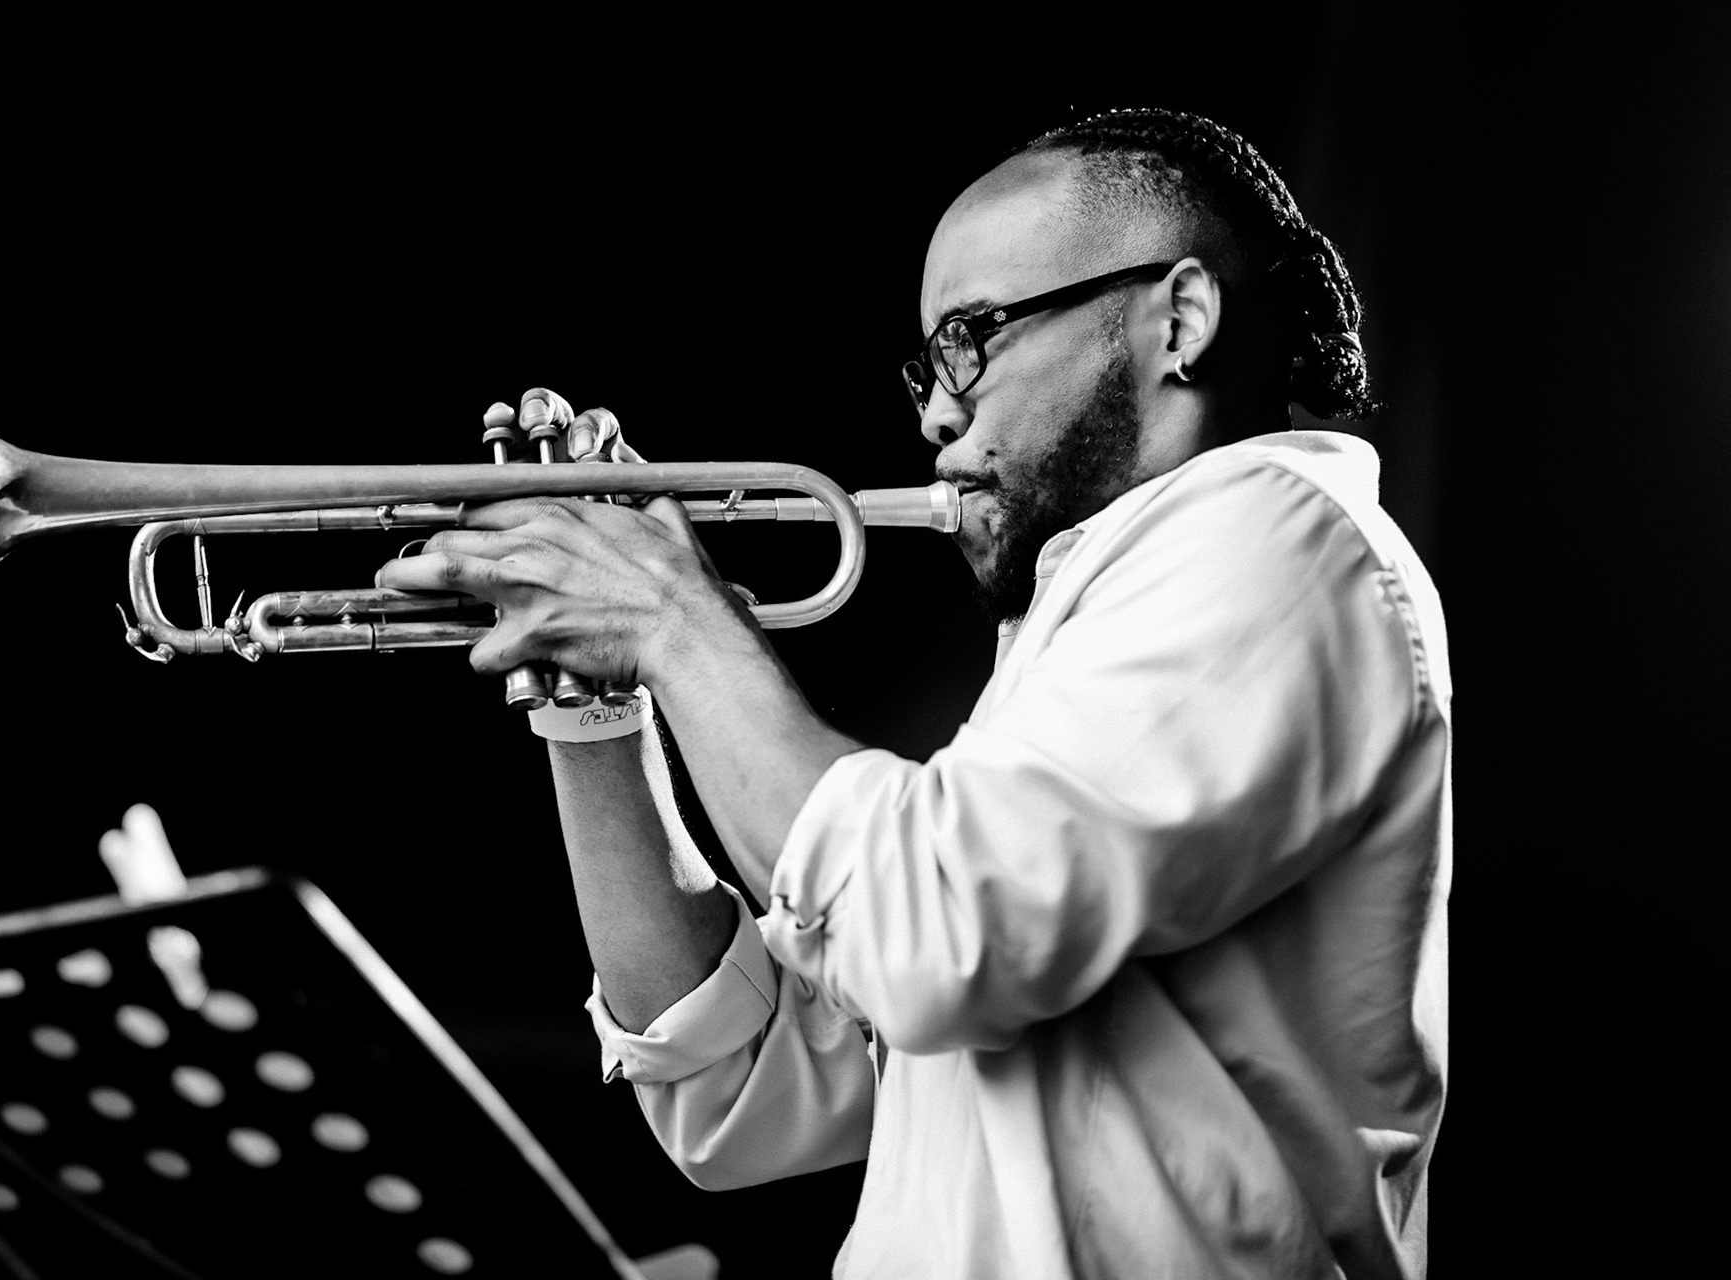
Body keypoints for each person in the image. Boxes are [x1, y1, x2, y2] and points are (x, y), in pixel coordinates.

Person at [379, 108, 1451, 1279]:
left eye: (972, 337)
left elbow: (928, 935)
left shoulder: (1280, 533)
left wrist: (673, 618)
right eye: (930, 359)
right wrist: (597, 711)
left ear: (1179, 319)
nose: (937, 410)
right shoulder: (1076, 649)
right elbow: (744, 1089)